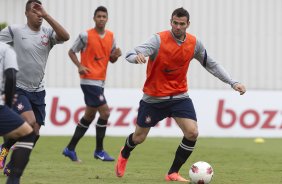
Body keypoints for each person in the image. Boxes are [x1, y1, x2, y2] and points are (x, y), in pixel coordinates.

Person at [115, 7, 246, 182]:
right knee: (138, 137)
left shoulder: (194, 43)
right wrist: (137, 57)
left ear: (188, 24)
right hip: (154, 98)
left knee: (192, 133)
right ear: (171, 22)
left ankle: (172, 173)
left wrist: (233, 82)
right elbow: (131, 54)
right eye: (175, 23)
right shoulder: (158, 40)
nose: (177, 27)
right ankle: (125, 153)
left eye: (181, 24)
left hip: (179, 96)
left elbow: (212, 65)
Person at [0, 0, 69, 176]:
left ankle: (10, 160)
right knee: (29, 123)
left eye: (41, 11)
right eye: (34, 11)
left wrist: (47, 15)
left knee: (35, 133)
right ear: (26, 13)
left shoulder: (48, 33)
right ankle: (5, 149)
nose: (38, 14)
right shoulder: (15, 31)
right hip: (18, 88)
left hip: (38, 90)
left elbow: (66, 36)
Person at [62, 6, 121, 162]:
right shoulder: (85, 36)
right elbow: (71, 51)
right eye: (99, 16)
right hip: (89, 80)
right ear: (94, 18)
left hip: (100, 81)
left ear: (107, 19)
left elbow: (111, 59)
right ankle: (99, 151)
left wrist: (116, 55)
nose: (101, 19)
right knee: (105, 113)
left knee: (89, 115)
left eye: (104, 16)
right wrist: (79, 66)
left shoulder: (111, 37)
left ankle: (70, 149)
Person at [0, 42, 36, 184]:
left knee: (32, 127)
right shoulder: (5, 49)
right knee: (29, 133)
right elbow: (11, 76)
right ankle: (13, 179)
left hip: (36, 92)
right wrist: (8, 104)